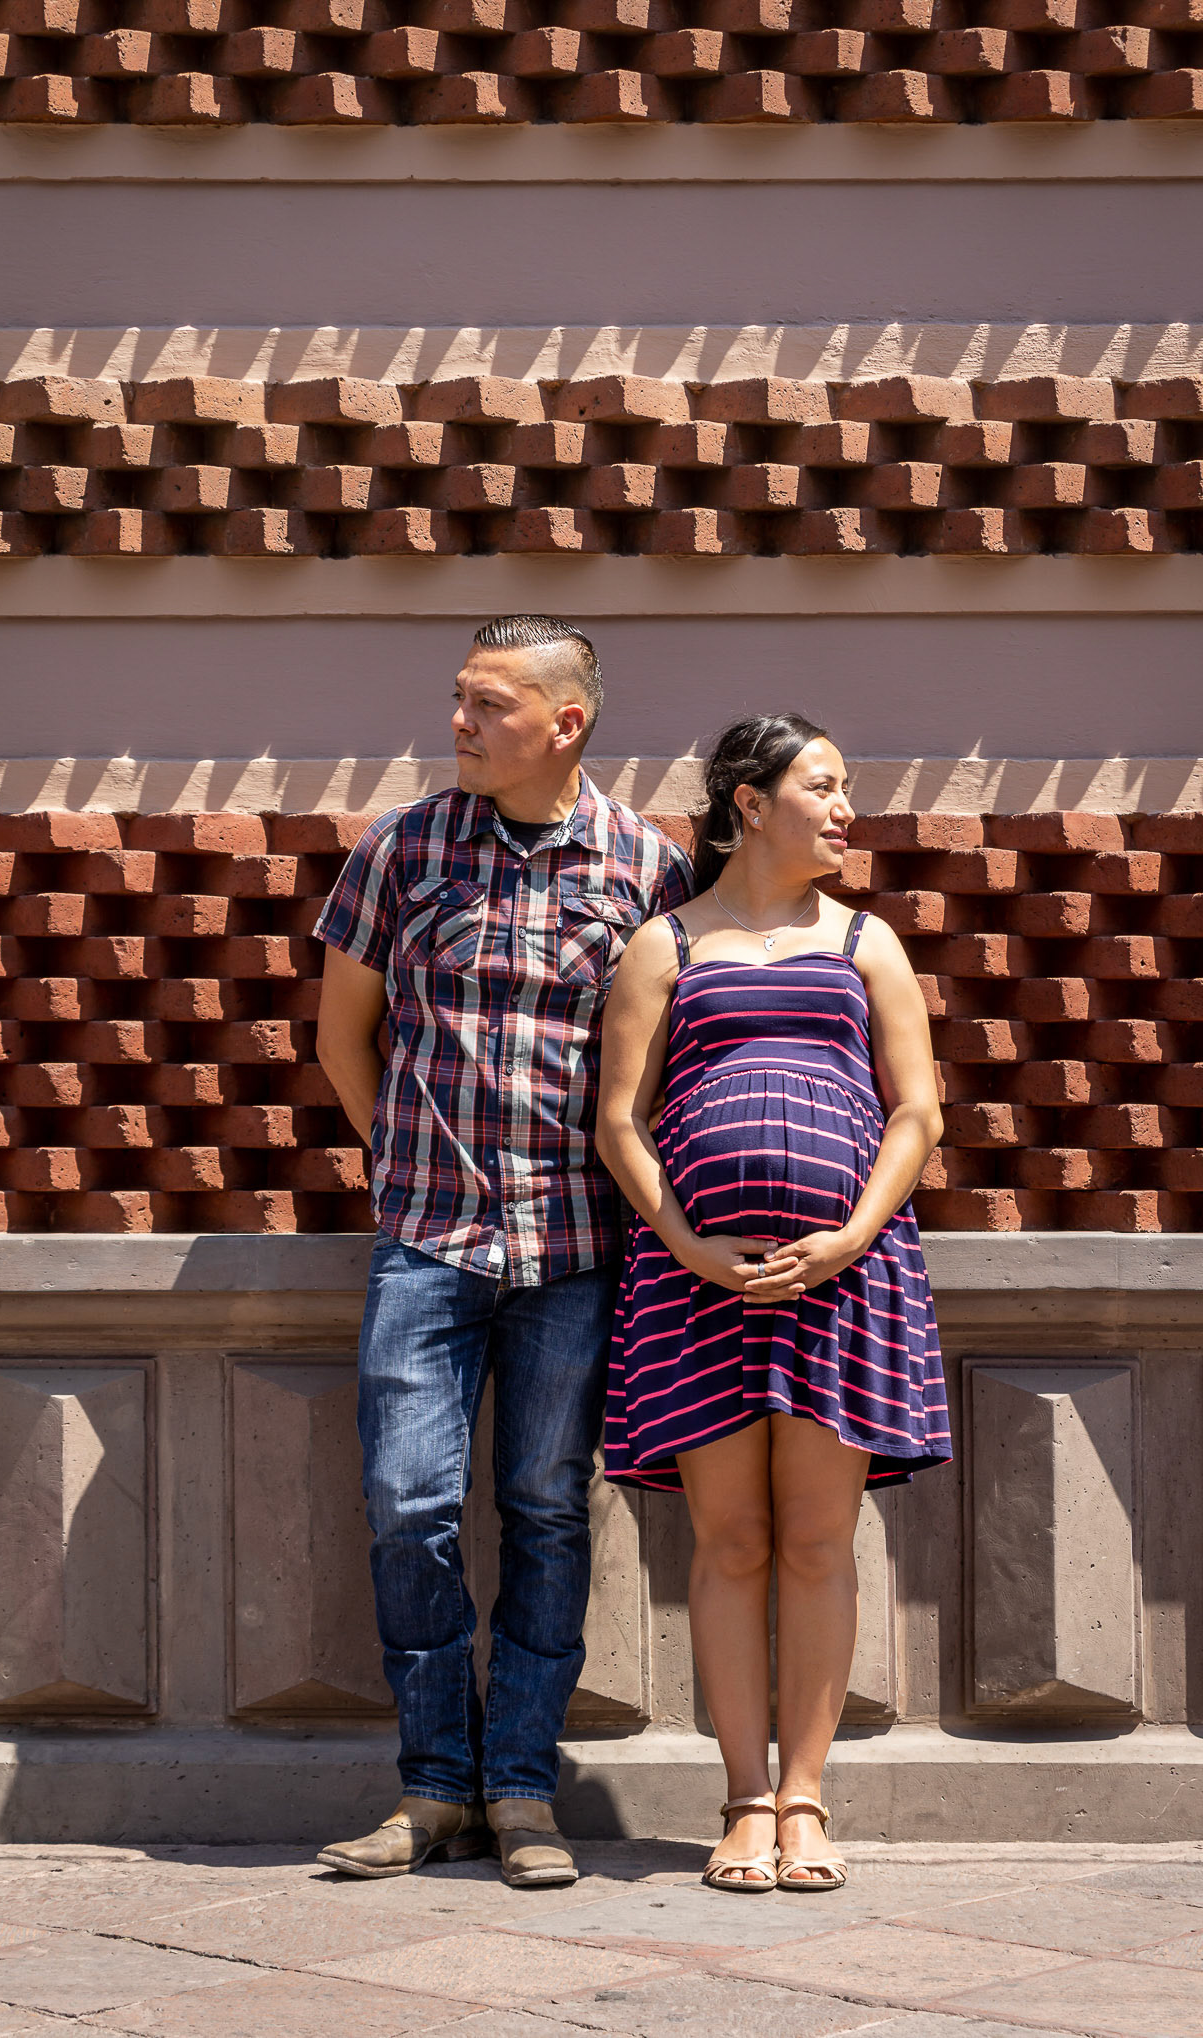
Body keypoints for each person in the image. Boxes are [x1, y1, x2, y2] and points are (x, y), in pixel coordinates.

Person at [311, 615, 692, 1888]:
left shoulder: (648, 865)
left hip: (580, 1246)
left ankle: (520, 1788)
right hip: (427, 1240)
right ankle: (433, 1789)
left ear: (565, 721)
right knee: (408, 1507)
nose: (459, 722)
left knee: (544, 1512)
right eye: (458, 700)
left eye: (487, 704)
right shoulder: (403, 849)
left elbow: (665, 1058)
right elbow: (342, 1037)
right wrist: (412, 1166)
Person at [595, 713, 951, 1895]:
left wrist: (851, 1233)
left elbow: (917, 1114)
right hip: (696, 1288)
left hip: (846, 1282)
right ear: (750, 801)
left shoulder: (866, 942)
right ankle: (743, 1799)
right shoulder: (666, 947)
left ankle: (806, 1799)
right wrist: (686, 1239)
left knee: (815, 1542)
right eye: (826, 786)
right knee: (731, 1540)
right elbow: (620, 1123)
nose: (848, 810)